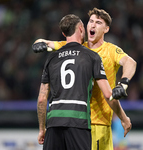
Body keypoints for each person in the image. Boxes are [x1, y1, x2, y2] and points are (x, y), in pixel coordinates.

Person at [33, 7, 136, 150]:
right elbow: (45, 42)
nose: (93, 25)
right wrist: (38, 43)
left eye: (98, 23)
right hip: (85, 123)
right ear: (84, 26)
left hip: (99, 124)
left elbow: (130, 62)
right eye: (91, 21)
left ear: (106, 29)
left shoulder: (110, 50)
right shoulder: (78, 48)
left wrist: (123, 83)